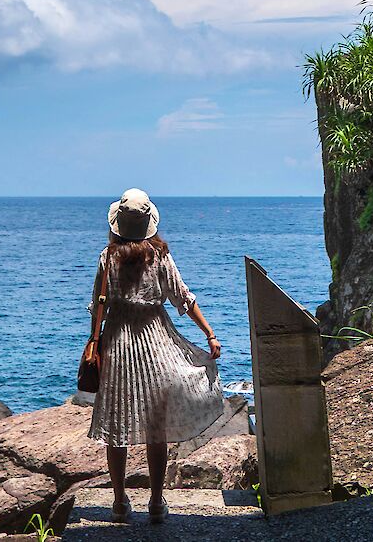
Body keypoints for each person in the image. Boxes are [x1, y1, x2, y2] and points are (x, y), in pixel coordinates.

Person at [85, 188, 224, 524]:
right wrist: (209, 333)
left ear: (118, 224)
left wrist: (94, 340)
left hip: (117, 344)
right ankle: (157, 502)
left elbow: (98, 307)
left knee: (117, 426)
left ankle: (119, 503)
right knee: (156, 427)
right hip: (157, 344)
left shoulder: (108, 257)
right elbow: (183, 298)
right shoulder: (160, 256)